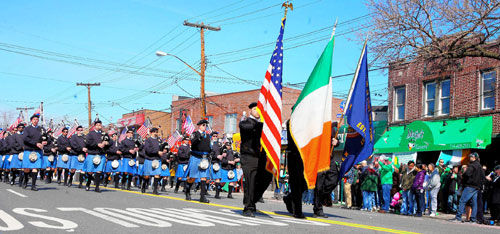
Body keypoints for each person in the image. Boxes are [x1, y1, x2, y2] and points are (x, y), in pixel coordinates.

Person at [239, 102, 273, 217]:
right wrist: (264, 125)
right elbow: (249, 127)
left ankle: (252, 200)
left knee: (267, 177)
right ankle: (248, 207)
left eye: (259, 109)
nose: (257, 111)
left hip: (261, 157)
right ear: (250, 111)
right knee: (250, 181)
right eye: (255, 109)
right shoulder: (245, 123)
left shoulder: (263, 124)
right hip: (249, 156)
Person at [185, 120, 212, 203]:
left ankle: (202, 196)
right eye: (203, 125)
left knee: (204, 177)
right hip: (196, 157)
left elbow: (208, 146)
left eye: (206, 125)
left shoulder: (207, 136)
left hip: (204, 158)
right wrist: (199, 137)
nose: (205, 126)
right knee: (192, 177)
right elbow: (193, 143)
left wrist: (211, 152)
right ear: (199, 125)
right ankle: (187, 191)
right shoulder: (194, 134)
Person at [454, 152, 484, 223]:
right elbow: (483, 177)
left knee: (462, 201)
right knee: (474, 203)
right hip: (476, 187)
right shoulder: (480, 166)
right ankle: (473, 219)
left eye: (471, 157)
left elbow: (467, 174)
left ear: (474, 158)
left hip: (470, 185)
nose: (469, 158)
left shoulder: (472, 165)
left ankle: (458, 217)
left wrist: (463, 175)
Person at [22, 114, 46, 191]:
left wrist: (44, 142)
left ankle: (33, 185)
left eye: (37, 119)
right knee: (27, 169)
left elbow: (46, 138)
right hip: (29, 149)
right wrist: (36, 143)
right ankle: (25, 180)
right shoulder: (27, 129)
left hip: (37, 151)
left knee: (35, 168)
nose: (36, 121)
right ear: (31, 120)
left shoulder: (41, 129)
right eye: (34, 119)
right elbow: (25, 139)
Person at [84, 120, 107, 192]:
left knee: (99, 171)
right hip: (92, 154)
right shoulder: (90, 134)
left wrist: (106, 142)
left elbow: (110, 142)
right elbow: (88, 143)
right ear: (94, 126)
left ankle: (97, 187)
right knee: (90, 172)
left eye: (100, 125)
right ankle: (88, 183)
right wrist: (97, 144)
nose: (99, 126)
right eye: (97, 125)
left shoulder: (104, 134)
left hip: (101, 155)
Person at [143, 128, 165, 195]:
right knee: (147, 176)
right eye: (154, 132)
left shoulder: (159, 141)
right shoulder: (148, 140)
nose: (156, 133)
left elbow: (161, 149)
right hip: (149, 159)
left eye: (156, 132)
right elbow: (148, 150)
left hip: (157, 160)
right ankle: (143, 186)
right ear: (151, 133)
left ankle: (155, 190)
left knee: (157, 174)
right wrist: (157, 152)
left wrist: (163, 151)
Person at [209, 132, 223, 199]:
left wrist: (222, 155)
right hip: (210, 162)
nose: (215, 137)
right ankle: (203, 191)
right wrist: (215, 156)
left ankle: (217, 194)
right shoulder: (209, 143)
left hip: (217, 163)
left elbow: (222, 152)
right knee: (206, 178)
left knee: (218, 178)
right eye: (214, 136)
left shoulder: (219, 144)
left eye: (216, 136)